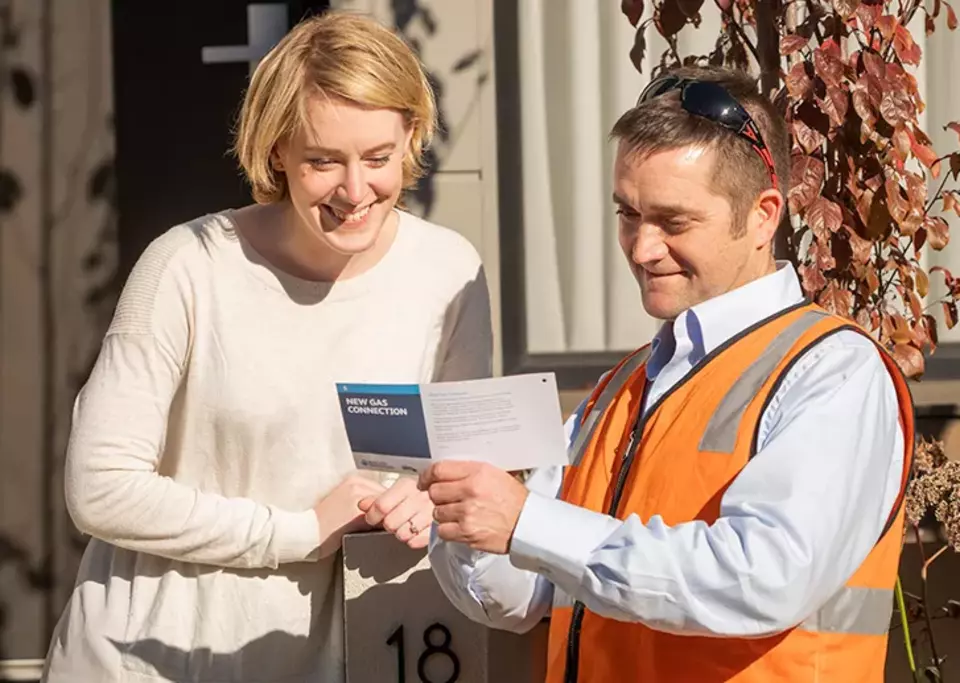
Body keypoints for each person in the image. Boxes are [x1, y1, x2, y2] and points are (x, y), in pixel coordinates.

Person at [423, 65, 914, 683]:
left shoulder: (834, 371)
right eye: (627, 213)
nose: (641, 247)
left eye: (673, 222)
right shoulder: (621, 386)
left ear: (764, 216)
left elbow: (762, 579)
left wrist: (527, 521)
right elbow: (518, 599)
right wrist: (467, 515)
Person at [42, 11, 492, 683]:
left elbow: (469, 464)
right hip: (145, 659)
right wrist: (298, 530)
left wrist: (430, 498)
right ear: (276, 150)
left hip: (337, 657)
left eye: (378, 158)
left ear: (411, 137)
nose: (355, 190)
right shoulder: (187, 266)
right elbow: (99, 487)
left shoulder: (450, 271)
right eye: (323, 161)